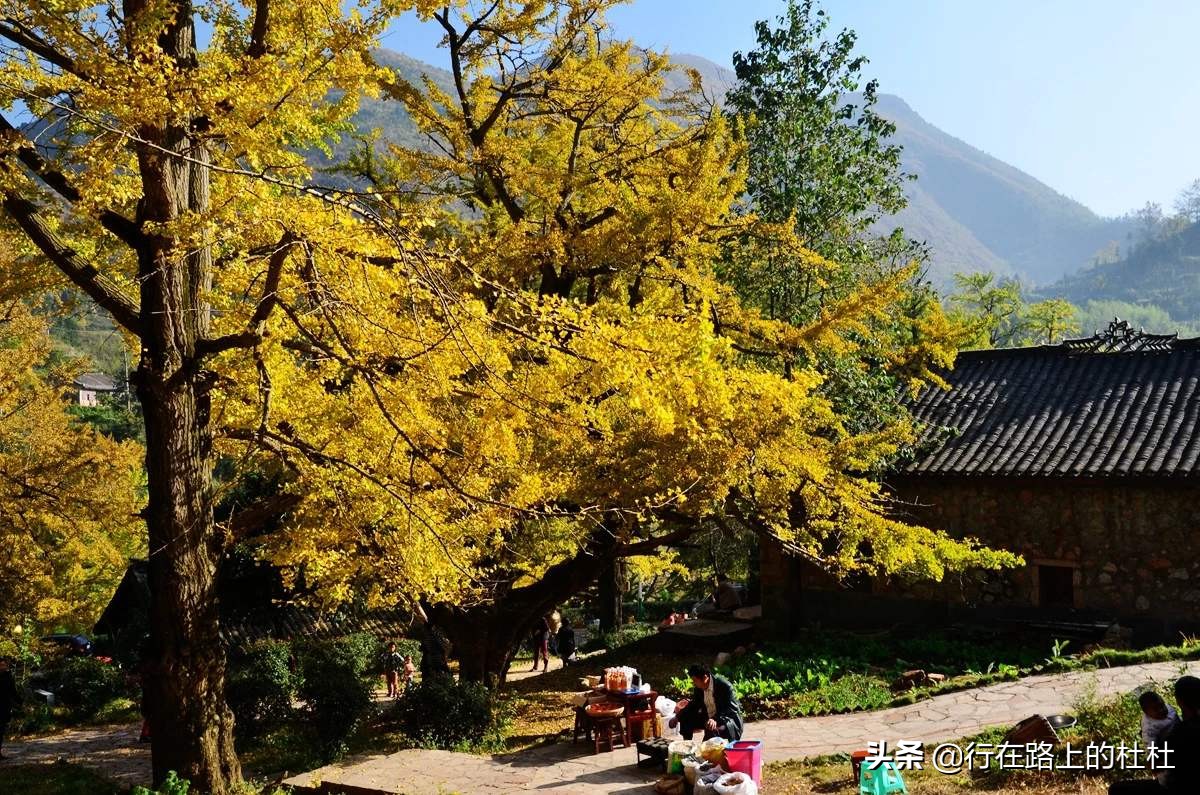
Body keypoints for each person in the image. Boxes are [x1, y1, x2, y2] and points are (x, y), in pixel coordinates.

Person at [1110, 675, 1200, 794]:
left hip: (1178, 787)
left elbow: (1155, 767)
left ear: (1179, 702)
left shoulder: (1179, 736)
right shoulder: (1183, 728)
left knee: (1116, 789)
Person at [669, 664, 743, 741]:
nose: (693, 683)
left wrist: (715, 719)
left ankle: (710, 744)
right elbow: (693, 705)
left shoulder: (725, 687)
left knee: (709, 738)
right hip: (708, 719)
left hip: (727, 721)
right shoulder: (699, 688)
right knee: (686, 719)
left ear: (705, 678)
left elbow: (732, 709)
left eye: (695, 680)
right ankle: (688, 745)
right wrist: (677, 717)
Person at [0, 657, 19, 760]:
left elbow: (13, 691)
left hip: (4, 707)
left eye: (4, 665)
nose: (3, 667)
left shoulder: (8, 677)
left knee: (1, 730)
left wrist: (19, 701)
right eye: (1, 665)